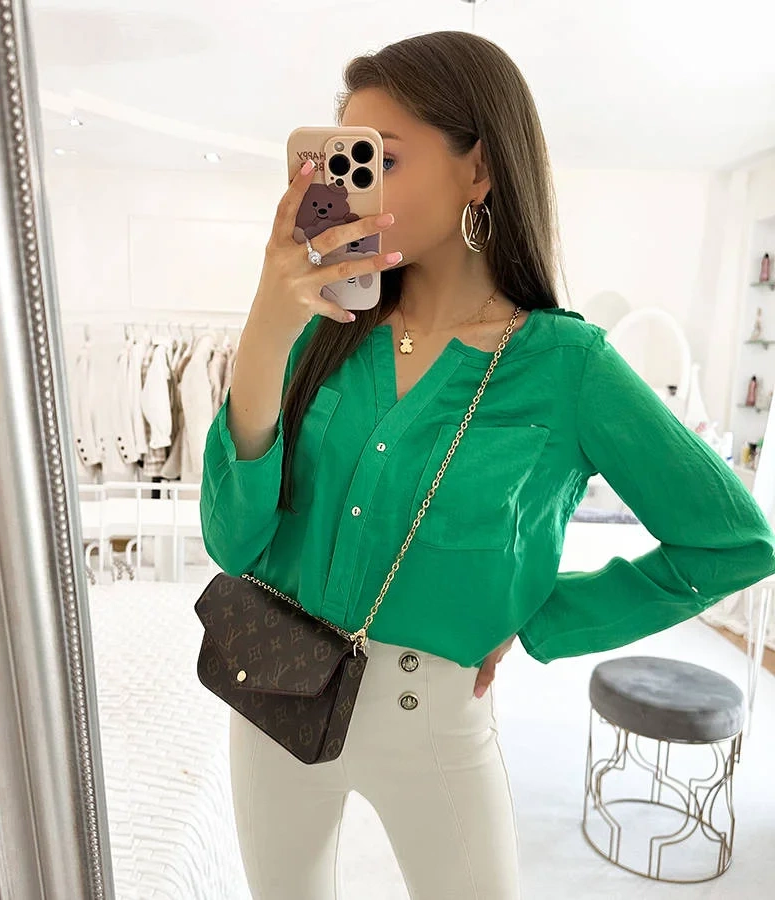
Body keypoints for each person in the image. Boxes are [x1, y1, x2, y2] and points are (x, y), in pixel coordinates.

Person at [199, 30, 775, 900]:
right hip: (274, 688)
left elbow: (731, 543)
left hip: (432, 722)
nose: (351, 187)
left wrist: (540, 613)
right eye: (344, 160)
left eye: (383, 158)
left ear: (479, 170)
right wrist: (265, 329)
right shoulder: (322, 329)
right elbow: (231, 541)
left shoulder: (568, 367)